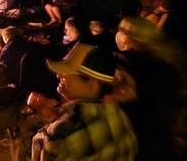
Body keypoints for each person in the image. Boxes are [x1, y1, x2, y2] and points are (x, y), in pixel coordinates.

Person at [31, 44, 138, 160]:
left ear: (93, 84)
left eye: (67, 72)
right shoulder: (118, 114)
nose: (58, 75)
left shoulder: (62, 133)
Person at [114, 16, 181, 160]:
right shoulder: (166, 62)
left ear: (125, 37)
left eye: (119, 30)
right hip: (161, 133)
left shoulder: (121, 63)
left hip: (131, 134)